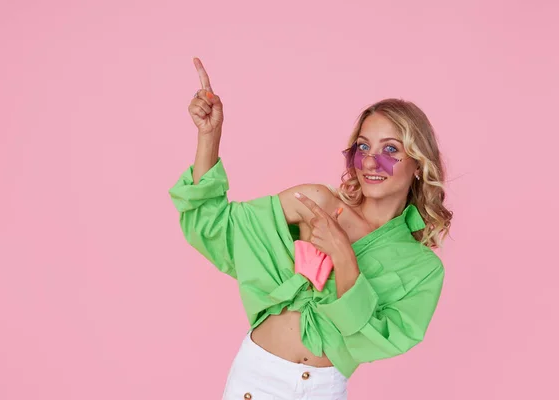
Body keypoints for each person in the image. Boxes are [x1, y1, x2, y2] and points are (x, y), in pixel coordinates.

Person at [168, 57, 452, 400]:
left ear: (419, 165)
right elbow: (213, 227)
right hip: (256, 380)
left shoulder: (421, 268)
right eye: (363, 147)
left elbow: (372, 340)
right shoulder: (317, 204)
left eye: (390, 149)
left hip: (322, 390)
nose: (372, 162)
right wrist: (209, 136)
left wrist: (343, 255)